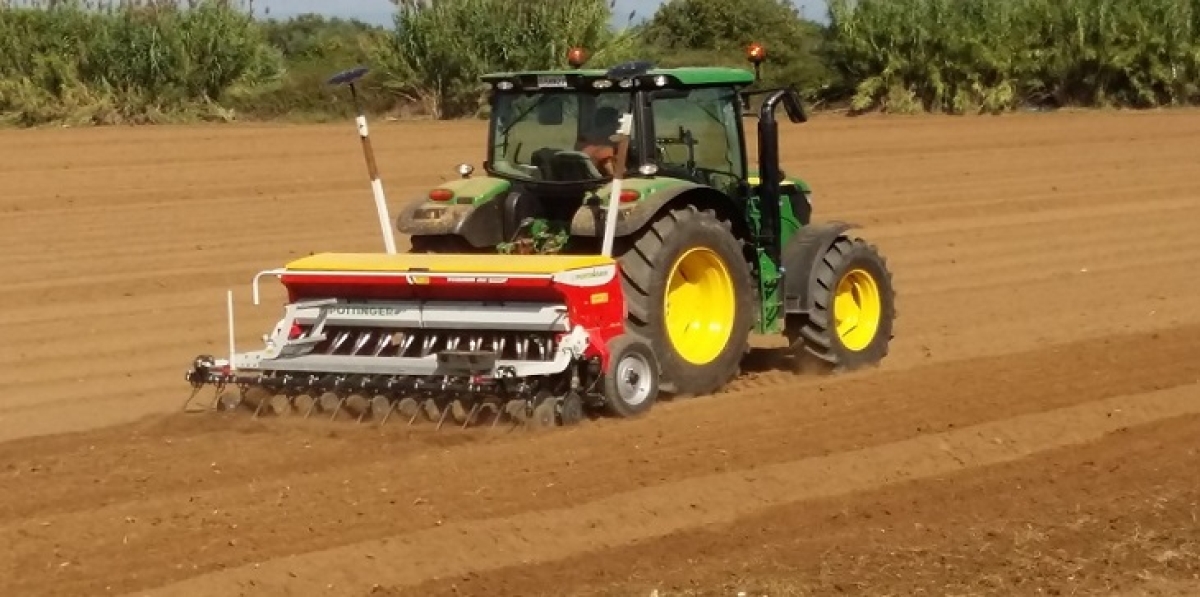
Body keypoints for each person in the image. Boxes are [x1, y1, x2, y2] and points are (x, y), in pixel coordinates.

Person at [575, 106, 620, 176]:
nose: (618, 126)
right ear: (608, 124)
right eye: (616, 122)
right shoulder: (604, 146)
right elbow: (612, 175)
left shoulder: (583, 140)